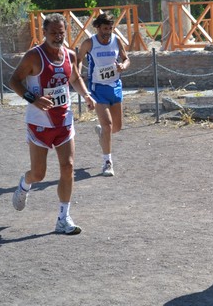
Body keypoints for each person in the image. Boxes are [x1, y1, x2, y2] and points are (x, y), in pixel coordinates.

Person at [9, 13, 96, 235]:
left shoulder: (70, 55)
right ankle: (25, 183)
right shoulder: (33, 57)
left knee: (68, 167)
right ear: (45, 33)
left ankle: (63, 218)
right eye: (53, 33)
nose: (58, 36)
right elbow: (14, 80)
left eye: (61, 32)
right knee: (39, 174)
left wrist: (86, 96)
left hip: (64, 121)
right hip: (39, 123)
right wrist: (33, 99)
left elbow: (74, 78)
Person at [77, 13, 130, 177]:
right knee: (107, 125)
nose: (108, 32)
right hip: (97, 89)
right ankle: (107, 162)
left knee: (117, 127)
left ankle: (102, 132)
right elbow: (78, 60)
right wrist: (78, 75)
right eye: (105, 28)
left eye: (110, 28)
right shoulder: (89, 43)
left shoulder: (116, 40)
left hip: (115, 87)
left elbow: (126, 58)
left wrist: (123, 66)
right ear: (98, 27)